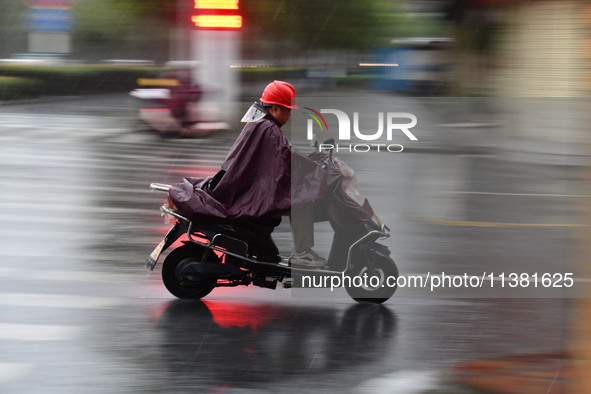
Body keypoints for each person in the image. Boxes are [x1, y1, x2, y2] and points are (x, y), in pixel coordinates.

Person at [168, 81, 327, 267]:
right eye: (288, 109)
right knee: (302, 200)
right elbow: (288, 158)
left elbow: (282, 157)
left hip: (240, 187)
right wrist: (317, 170)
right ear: (275, 108)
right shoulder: (269, 129)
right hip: (247, 194)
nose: (290, 115)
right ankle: (302, 254)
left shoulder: (259, 123)